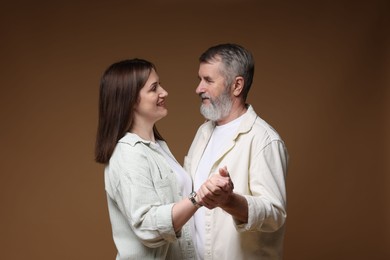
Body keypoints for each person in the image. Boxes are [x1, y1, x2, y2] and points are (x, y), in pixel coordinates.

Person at [94, 58, 233, 259]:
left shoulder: (158, 147)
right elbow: (147, 227)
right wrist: (198, 198)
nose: (164, 92)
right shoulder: (128, 153)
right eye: (153, 88)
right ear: (130, 100)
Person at [184, 43, 289, 260]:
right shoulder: (203, 132)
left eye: (208, 80)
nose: (199, 88)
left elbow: (275, 214)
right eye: (199, 79)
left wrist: (228, 200)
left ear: (237, 86)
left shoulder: (264, 140)